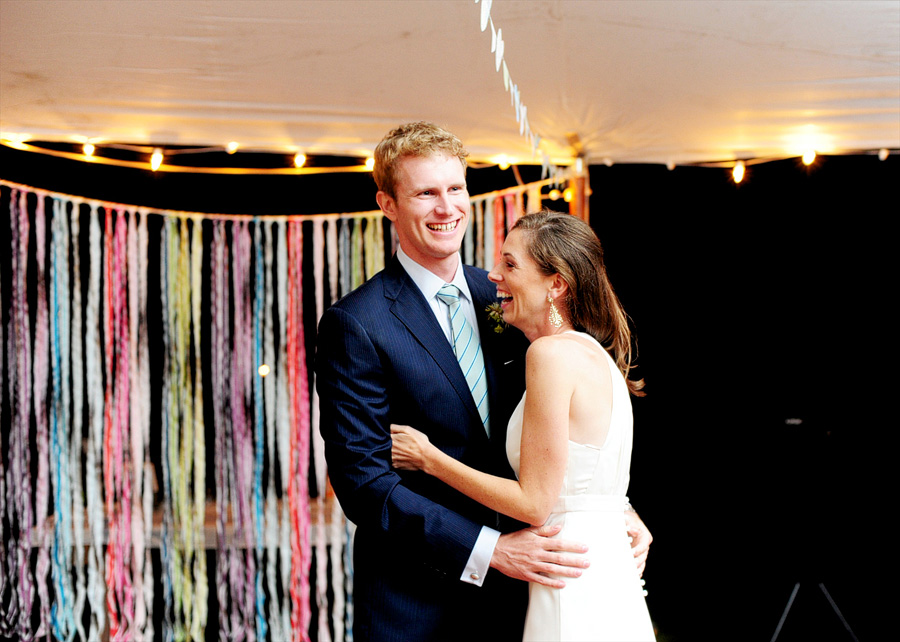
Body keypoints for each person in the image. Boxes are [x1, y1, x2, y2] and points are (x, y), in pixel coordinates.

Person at [316, 122, 652, 642]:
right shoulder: (356, 323)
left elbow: (565, 420)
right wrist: (489, 550)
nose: (446, 208)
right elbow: (364, 486)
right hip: (416, 604)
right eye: (426, 193)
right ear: (387, 204)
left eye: (455, 188)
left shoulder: (511, 294)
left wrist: (610, 509)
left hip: (526, 595)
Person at [392, 210, 656, 641]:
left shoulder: (550, 356)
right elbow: (589, 477)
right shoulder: (595, 355)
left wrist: (429, 459)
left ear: (556, 283)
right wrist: (624, 511)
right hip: (606, 569)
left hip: (567, 574)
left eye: (511, 265)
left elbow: (534, 502)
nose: (493, 275)